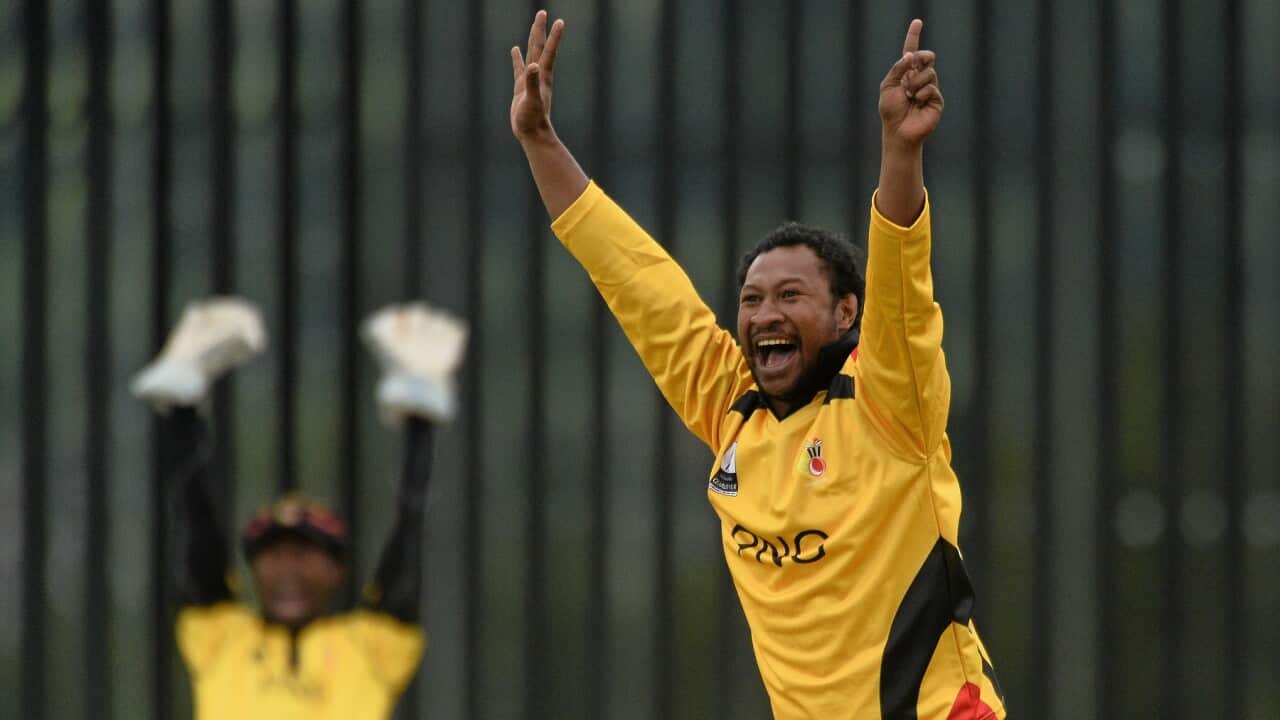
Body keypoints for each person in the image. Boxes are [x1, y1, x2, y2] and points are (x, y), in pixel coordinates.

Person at [510, 11, 1005, 719]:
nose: (764, 314)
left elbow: (903, 291)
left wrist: (900, 153)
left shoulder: (890, 403)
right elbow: (636, 281)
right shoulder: (730, 405)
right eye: (751, 299)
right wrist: (539, 142)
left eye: (790, 296)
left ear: (845, 315)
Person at [131, 297, 466, 720]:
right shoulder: (222, 638)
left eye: (305, 555)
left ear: (338, 569)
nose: (289, 571)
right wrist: (180, 412)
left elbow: (410, 531)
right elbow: (194, 526)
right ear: (252, 569)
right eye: (274, 556)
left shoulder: (369, 645)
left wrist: (422, 422)